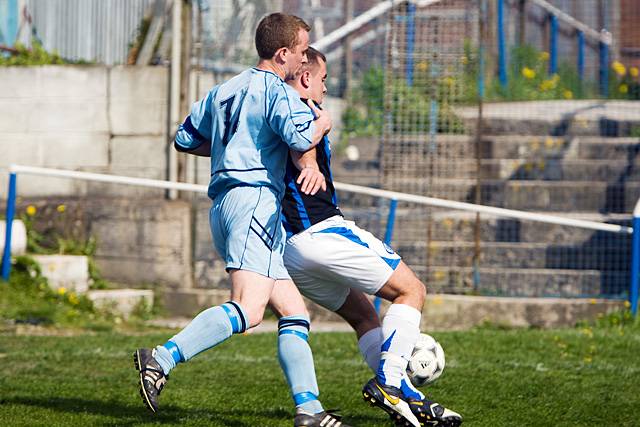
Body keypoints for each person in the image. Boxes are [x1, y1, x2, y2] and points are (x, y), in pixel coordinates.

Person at [133, 13, 350, 427]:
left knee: (293, 312)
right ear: (284, 53)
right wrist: (323, 120)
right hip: (254, 203)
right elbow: (302, 138)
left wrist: (230, 151)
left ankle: (309, 410)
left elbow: (184, 138)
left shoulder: (222, 90)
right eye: (303, 53)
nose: (304, 63)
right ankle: (160, 359)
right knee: (249, 311)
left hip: (226, 202)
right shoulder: (276, 92)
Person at [281, 47, 463, 427]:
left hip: (292, 250)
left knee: (364, 314)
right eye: (324, 79)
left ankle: (408, 399)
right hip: (321, 232)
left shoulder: (270, 109)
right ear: (306, 77)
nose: (327, 88)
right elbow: (304, 147)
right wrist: (318, 138)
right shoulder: (303, 109)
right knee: (411, 290)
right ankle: (391, 383)